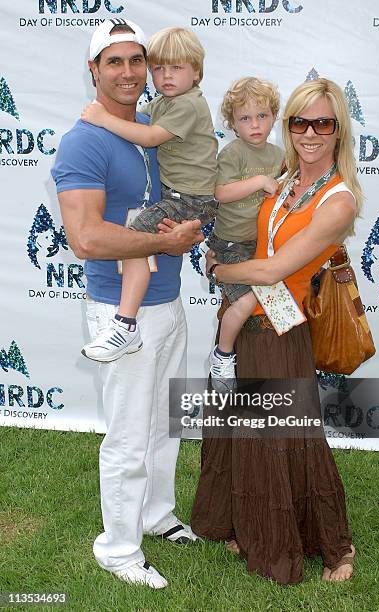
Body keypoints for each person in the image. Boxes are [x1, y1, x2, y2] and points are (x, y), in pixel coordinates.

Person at [51, 19, 203, 589]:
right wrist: (164, 242)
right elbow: (86, 238)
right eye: (113, 62)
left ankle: (156, 516)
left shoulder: (151, 125)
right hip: (122, 311)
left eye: (136, 60)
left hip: (168, 301)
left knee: (165, 426)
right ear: (93, 70)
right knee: (128, 437)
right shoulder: (84, 140)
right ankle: (117, 550)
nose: (128, 72)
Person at [191, 78, 361, 584]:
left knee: (289, 437)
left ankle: (336, 549)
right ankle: (241, 521)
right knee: (241, 428)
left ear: (338, 132)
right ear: (288, 127)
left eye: (323, 123)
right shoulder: (285, 176)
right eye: (300, 122)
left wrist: (218, 271)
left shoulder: (338, 200)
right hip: (251, 322)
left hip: (283, 328)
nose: (310, 133)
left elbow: (268, 271)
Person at [79, 26, 218, 362]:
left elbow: (150, 137)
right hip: (182, 195)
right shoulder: (164, 103)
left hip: (190, 197)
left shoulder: (188, 104)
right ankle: (127, 322)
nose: (166, 76)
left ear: (197, 72)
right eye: (159, 68)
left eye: (177, 68)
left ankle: (125, 324)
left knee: (134, 237)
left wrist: (102, 118)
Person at [207, 77, 283, 391]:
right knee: (247, 300)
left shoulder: (279, 155)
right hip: (230, 244)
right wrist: (260, 181)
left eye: (262, 116)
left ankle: (275, 365)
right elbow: (220, 192)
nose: (255, 125)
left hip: (263, 243)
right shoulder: (233, 154)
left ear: (274, 117)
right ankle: (222, 356)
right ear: (233, 124)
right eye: (245, 118)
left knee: (279, 306)